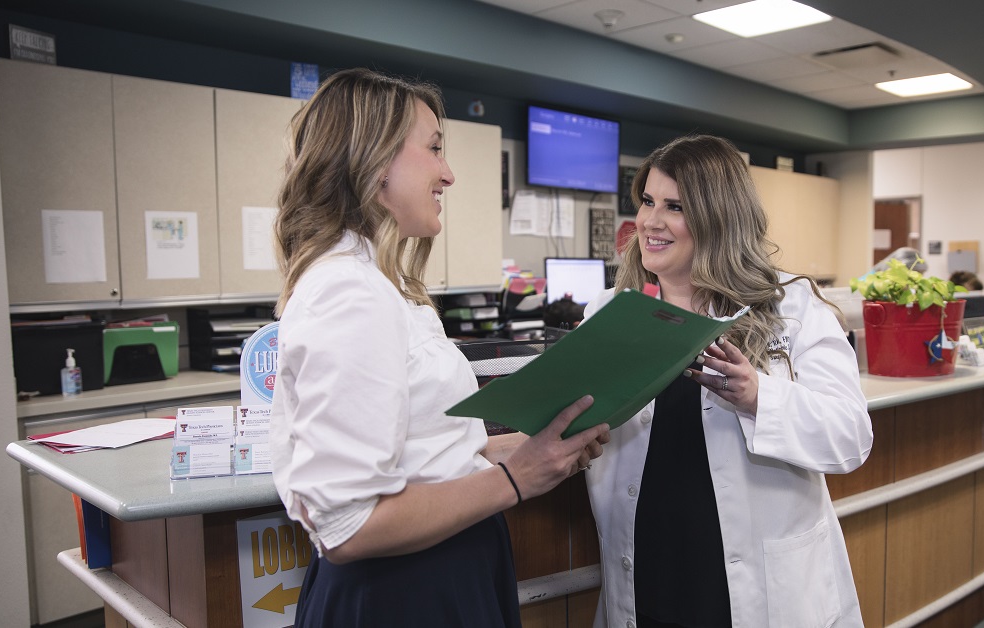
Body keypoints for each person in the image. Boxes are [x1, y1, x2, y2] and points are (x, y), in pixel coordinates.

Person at [269, 68, 610, 627]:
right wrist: (515, 478)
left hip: (439, 568)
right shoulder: (350, 293)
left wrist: (532, 450)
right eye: (433, 149)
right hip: (402, 592)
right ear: (374, 161)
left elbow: (423, 452)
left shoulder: (377, 286)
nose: (447, 174)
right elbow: (348, 526)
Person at [584, 135, 873, 628]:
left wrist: (759, 395)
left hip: (756, 587)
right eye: (648, 202)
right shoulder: (610, 315)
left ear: (719, 216)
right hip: (648, 572)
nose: (651, 221)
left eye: (674, 206)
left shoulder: (791, 307)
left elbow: (850, 437)